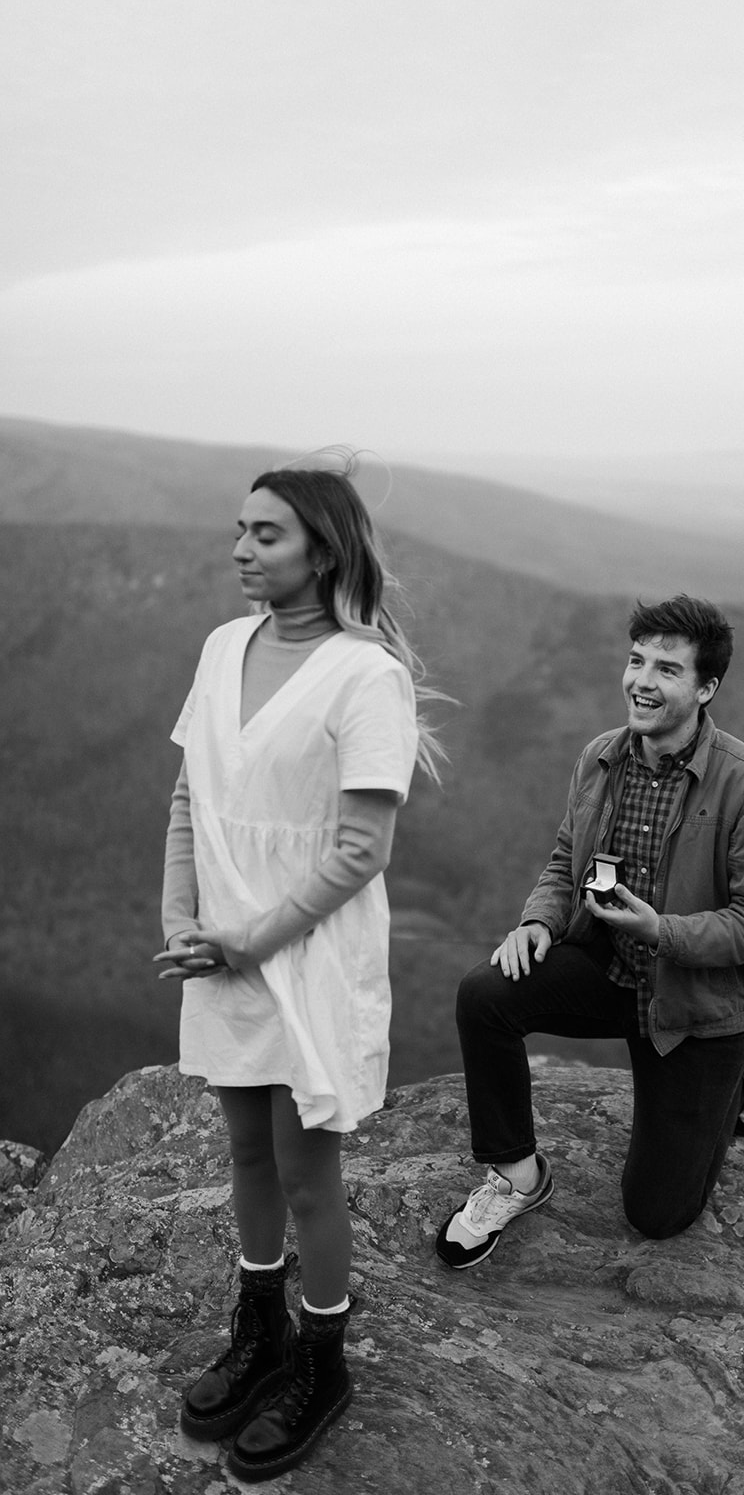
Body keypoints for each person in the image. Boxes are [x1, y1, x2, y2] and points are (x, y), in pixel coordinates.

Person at [154, 463, 443, 1481]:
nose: (240, 548)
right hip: (225, 945)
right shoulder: (222, 646)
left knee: (305, 1168)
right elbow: (191, 798)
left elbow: (360, 850)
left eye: (266, 534)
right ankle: (259, 1329)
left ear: (322, 550)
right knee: (243, 1151)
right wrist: (182, 918)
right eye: (239, 529)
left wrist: (249, 937)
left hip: (309, 954)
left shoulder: (368, 677)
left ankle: (323, 1360)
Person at [436, 594, 744, 1270]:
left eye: (667, 668)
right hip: (609, 971)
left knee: (656, 1215)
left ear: (706, 687)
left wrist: (663, 930)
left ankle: (743, 1055)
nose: (642, 681)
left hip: (693, 1003)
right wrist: (539, 920)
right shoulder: (603, 757)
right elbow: (566, 857)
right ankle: (517, 1175)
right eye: (636, 661)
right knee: (485, 994)